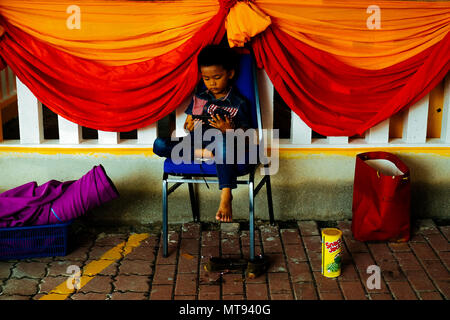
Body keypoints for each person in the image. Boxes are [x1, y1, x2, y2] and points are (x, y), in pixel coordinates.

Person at [153, 44, 256, 223]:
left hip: (223, 144)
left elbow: (249, 137)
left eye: (217, 77)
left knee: (223, 143)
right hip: (196, 143)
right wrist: (189, 125)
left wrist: (229, 130)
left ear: (230, 74)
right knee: (159, 144)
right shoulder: (201, 97)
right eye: (206, 78)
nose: (212, 83)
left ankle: (226, 195)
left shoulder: (238, 103)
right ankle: (206, 155)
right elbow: (188, 125)